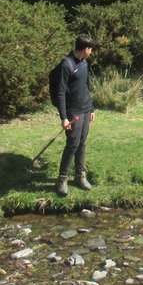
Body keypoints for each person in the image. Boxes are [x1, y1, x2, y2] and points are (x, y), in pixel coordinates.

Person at [54, 34, 96, 197]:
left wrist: (91, 108)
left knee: (82, 143)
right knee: (72, 144)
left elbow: (85, 87)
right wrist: (64, 117)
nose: (91, 52)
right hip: (73, 112)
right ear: (85, 49)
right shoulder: (67, 64)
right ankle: (62, 180)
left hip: (85, 110)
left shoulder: (84, 62)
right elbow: (61, 93)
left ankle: (80, 175)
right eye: (90, 49)